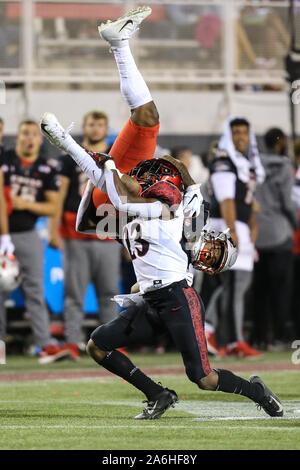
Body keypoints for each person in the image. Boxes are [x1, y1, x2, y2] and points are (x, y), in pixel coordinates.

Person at [40, 6, 283, 420]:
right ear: (211, 241)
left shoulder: (170, 223)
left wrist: (78, 150)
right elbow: (181, 186)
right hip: (151, 279)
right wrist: (169, 169)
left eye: (212, 260)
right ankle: (158, 394)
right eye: (213, 250)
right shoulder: (186, 213)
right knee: (98, 343)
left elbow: (118, 198)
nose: (206, 253)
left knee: (202, 377)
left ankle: (256, 391)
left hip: (164, 287)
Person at [49, 110, 120, 359]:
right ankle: (72, 342)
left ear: (106, 127)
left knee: (110, 291)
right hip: (75, 232)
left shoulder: (116, 156)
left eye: (100, 124)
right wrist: (53, 227)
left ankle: (111, 342)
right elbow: (60, 195)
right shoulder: (71, 156)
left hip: (107, 231)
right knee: (74, 291)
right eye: (92, 124)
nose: (96, 128)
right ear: (85, 127)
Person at [0, 120, 71, 363]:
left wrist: (26, 204)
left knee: (35, 291)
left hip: (28, 232)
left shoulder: (47, 167)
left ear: (40, 140)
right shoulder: (5, 158)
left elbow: (53, 206)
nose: (29, 138)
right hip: (2, 232)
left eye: (34, 134)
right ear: (17, 137)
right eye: (25, 133)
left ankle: (44, 345)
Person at [207, 116, 265, 358]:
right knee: (232, 285)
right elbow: (226, 198)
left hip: (237, 225)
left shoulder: (243, 162)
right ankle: (230, 339)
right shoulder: (224, 160)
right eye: (235, 132)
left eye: (244, 132)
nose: (240, 137)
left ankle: (215, 332)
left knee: (236, 286)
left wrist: (251, 224)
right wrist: (232, 230)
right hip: (225, 225)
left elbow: (245, 200)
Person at [252, 129, 298, 350]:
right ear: (281, 143)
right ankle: (280, 336)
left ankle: (260, 336)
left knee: (259, 290)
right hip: (280, 234)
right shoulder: (284, 165)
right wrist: (295, 223)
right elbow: (287, 202)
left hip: (257, 235)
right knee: (281, 290)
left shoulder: (254, 163)